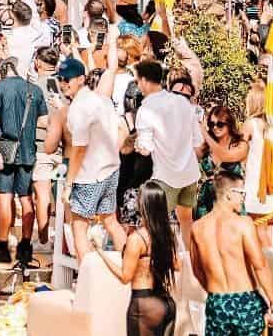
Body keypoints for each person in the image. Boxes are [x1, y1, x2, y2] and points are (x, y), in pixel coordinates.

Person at [188, 176, 273, 336]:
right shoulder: (243, 223)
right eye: (242, 193)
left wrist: (214, 293)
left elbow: (197, 270)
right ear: (229, 194)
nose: (243, 199)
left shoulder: (197, 228)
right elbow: (260, 265)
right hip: (245, 300)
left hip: (216, 302)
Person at [57, 57, 122, 263]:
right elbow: (120, 129)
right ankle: (130, 273)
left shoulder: (79, 107)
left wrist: (69, 183)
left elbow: (79, 150)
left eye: (68, 79)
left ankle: (87, 281)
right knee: (111, 222)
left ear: (81, 79)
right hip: (110, 169)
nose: (64, 83)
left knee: (79, 227)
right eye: (61, 79)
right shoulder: (102, 100)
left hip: (90, 176)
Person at [131, 60, 201, 243]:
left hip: (165, 176)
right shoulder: (182, 102)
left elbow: (146, 149)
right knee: (186, 221)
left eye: (138, 81)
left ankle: (161, 264)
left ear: (145, 81)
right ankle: (188, 263)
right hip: (190, 172)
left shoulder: (146, 109)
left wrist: (137, 144)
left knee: (154, 224)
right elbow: (197, 141)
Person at [95, 182, 177, 336]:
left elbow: (125, 277)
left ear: (142, 205)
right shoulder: (166, 236)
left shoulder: (137, 239)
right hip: (166, 303)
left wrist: (100, 252)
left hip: (144, 304)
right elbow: (177, 265)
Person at [0, 56, 46, 269]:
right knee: (25, 197)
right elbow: (42, 119)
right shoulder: (35, 90)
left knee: (4, 197)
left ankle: (2, 245)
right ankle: (25, 246)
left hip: (5, 150)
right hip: (28, 150)